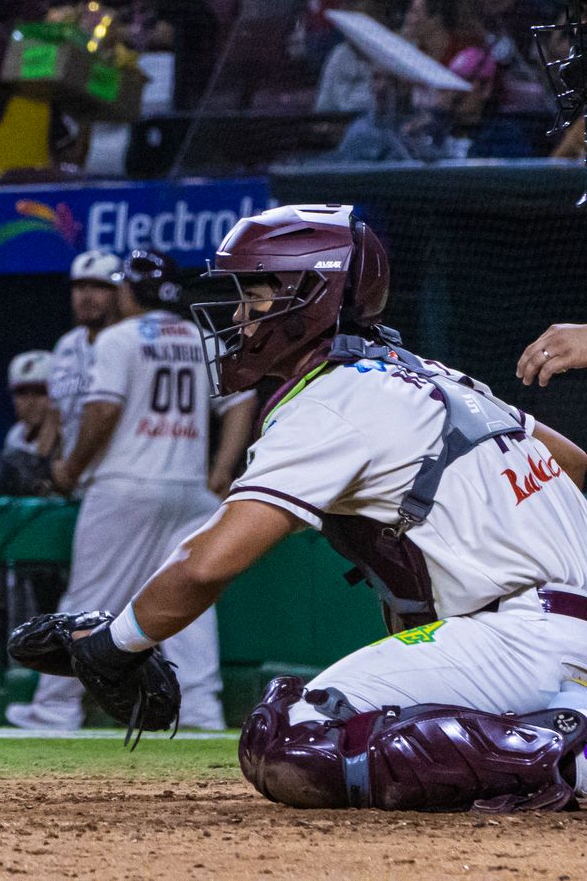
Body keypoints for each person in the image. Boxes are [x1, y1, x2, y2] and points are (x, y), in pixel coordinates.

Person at [60, 205, 587, 814]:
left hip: (521, 635)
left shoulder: (332, 398)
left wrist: (114, 642)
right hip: (546, 631)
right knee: (397, 718)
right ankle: (559, 718)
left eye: (253, 297)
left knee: (293, 737)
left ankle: (571, 760)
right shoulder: (432, 374)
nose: (236, 317)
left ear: (310, 294)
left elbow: (208, 563)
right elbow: (574, 463)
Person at [5, 251, 252, 733]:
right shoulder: (198, 335)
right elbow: (242, 402)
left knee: (89, 597)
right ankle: (200, 709)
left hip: (126, 485)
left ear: (126, 291)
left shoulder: (118, 338)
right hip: (188, 487)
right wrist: (223, 470)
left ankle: (55, 709)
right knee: (191, 602)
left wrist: (71, 469)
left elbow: (102, 412)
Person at [49, 251, 122, 455]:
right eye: (79, 287)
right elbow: (56, 416)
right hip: (75, 477)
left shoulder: (132, 342)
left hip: (117, 473)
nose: (86, 296)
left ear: (120, 293)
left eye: (99, 287)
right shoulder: (65, 345)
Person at [0, 350, 59, 495]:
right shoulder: (15, 435)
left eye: (40, 392)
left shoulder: (72, 433)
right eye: (21, 393)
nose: (30, 402)